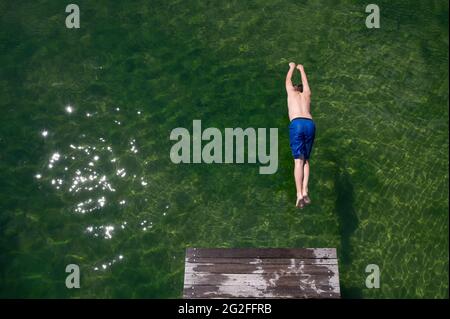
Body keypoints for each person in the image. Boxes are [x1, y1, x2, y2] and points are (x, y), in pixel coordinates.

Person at [285, 62, 316, 208]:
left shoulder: (292, 93)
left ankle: (298, 195)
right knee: (306, 160)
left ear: (296, 89)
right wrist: (302, 69)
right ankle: (305, 190)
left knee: (298, 160)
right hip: (310, 124)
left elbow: (287, 81)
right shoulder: (307, 94)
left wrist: (292, 67)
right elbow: (305, 83)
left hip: (297, 123)